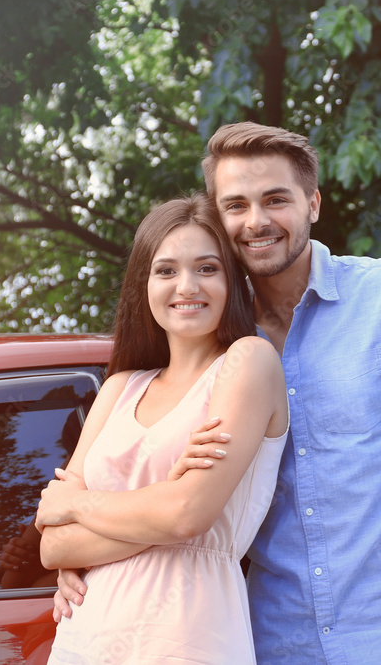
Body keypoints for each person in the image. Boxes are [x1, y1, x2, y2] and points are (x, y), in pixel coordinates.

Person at [56, 123, 381, 664]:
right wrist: (82, 548)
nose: (256, 221)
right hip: (276, 644)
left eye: (275, 199)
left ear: (313, 203)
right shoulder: (220, 352)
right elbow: (165, 490)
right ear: (217, 217)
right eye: (235, 205)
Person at [35, 193, 289, 664]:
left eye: (208, 268)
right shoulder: (119, 388)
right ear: (143, 284)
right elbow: (53, 543)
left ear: (232, 281)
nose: (187, 286)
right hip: (86, 638)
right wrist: (165, 501)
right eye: (166, 270)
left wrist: (79, 504)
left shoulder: (248, 362)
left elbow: (187, 517)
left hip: (188, 635)